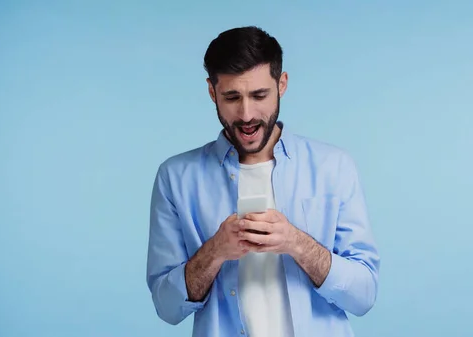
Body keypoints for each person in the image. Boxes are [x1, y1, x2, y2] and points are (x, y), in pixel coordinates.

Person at [146, 26, 380, 337]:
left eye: (259, 95)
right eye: (231, 97)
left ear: (281, 84)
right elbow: (166, 307)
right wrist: (215, 250)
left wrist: (296, 243)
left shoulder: (333, 167)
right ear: (212, 92)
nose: (246, 115)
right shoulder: (175, 178)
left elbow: (364, 295)